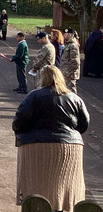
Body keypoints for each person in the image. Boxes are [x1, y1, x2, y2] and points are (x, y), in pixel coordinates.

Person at [12, 65, 89, 212]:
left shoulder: (34, 96)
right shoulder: (74, 98)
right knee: (65, 185)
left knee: (37, 186)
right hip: (69, 147)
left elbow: (19, 121)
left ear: (43, 78)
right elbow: (84, 124)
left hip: (36, 146)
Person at [60, 28, 80, 93]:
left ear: (70, 35)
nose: (64, 35)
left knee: (71, 90)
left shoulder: (73, 46)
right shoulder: (68, 44)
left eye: (65, 34)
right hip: (65, 72)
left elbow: (75, 60)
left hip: (70, 73)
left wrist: (73, 73)